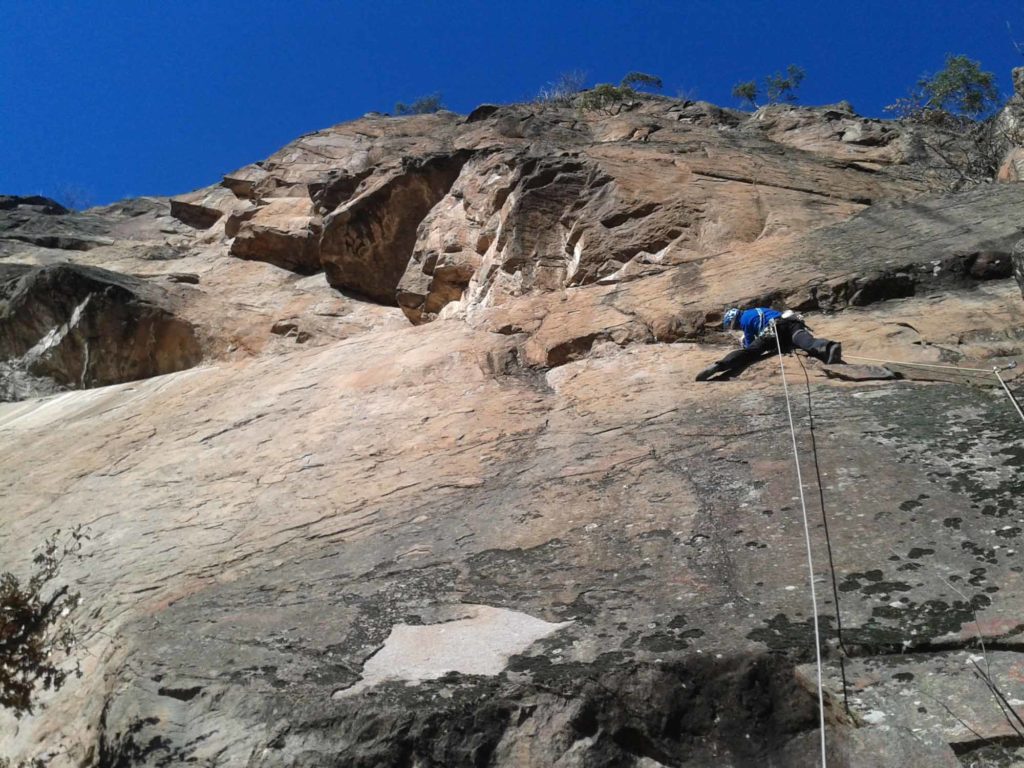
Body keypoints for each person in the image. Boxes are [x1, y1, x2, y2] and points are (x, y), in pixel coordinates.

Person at [695, 307, 842, 381]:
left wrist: (748, 346)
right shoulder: (759, 310)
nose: (738, 328)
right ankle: (829, 347)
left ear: (735, 321)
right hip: (790, 323)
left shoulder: (745, 320)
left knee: (750, 353)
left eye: (735, 326)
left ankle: (720, 365)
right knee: (803, 340)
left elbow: (750, 346)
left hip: (772, 331)